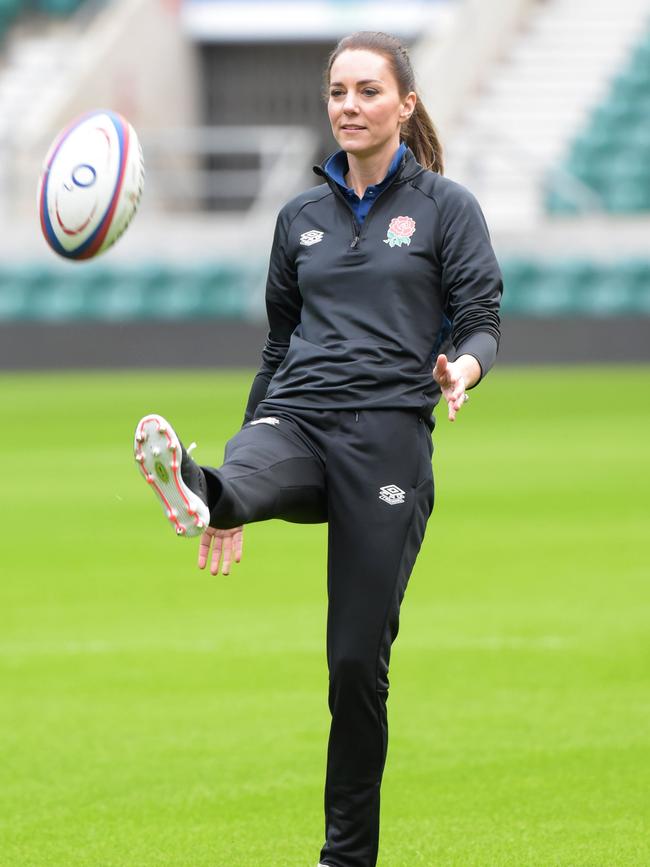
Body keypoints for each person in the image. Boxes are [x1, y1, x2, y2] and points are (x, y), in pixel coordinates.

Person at [134, 31, 502, 867]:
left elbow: (482, 318)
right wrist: (232, 486)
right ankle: (204, 489)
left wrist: (463, 370)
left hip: (386, 441)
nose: (348, 105)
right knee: (240, 473)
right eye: (338, 91)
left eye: (367, 91)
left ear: (405, 104)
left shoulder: (447, 209)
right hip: (298, 417)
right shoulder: (298, 217)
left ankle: (346, 857)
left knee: (353, 665)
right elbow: (276, 349)